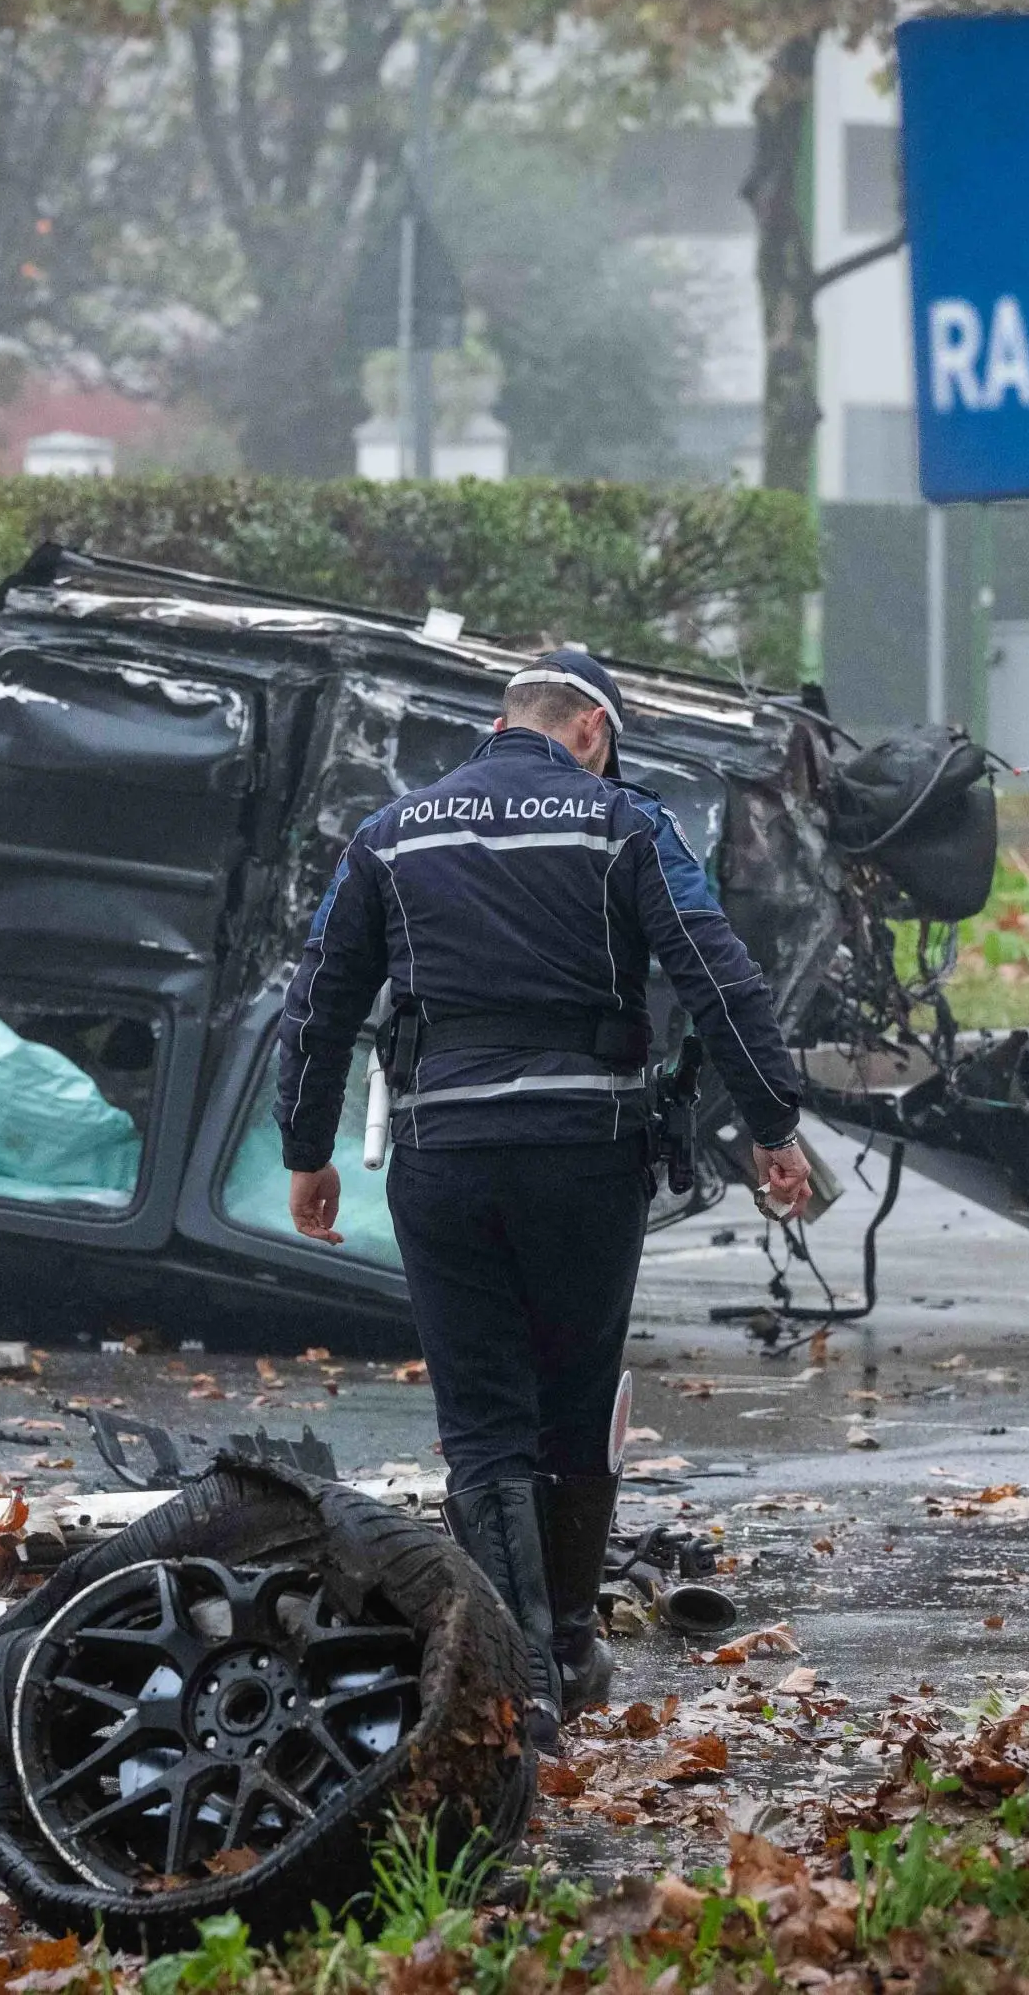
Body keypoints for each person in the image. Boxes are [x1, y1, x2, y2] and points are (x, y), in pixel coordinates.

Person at [269, 646, 812, 1750]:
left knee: (483, 1427)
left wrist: (306, 1145)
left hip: (446, 1159)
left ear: (510, 720)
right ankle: (567, 1644)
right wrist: (774, 1127)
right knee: (573, 1407)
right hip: (585, 1158)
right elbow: (716, 977)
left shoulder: (393, 832)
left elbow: (322, 996)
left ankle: (526, 1700)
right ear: (592, 733)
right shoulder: (624, 825)